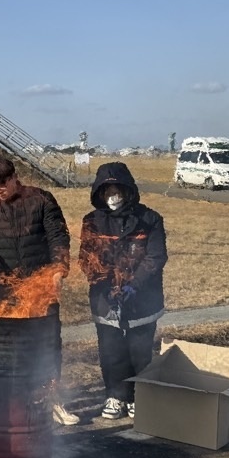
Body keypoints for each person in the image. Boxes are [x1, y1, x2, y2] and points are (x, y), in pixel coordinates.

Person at [0, 157, 78, 425]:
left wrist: (59, 269)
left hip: (41, 285)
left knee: (46, 343)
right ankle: (11, 400)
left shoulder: (41, 199)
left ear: (14, 178)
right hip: (3, 286)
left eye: (2, 186)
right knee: (8, 347)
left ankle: (52, 399)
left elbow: (58, 235)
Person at [77, 161, 168, 419]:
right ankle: (116, 395)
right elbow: (86, 258)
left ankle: (138, 396)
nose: (113, 196)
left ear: (128, 190)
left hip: (142, 297)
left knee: (139, 350)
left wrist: (132, 285)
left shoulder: (150, 219)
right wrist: (104, 284)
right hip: (105, 297)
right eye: (107, 191)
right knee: (111, 350)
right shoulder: (92, 221)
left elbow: (155, 257)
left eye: (118, 190)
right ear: (99, 193)